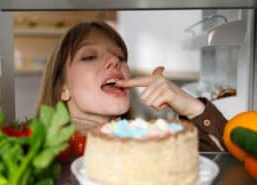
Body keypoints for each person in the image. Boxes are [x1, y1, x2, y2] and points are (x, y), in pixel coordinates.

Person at [37, 21, 227, 151]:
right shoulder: (33, 150)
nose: (114, 60)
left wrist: (191, 107)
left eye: (120, 57)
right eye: (89, 57)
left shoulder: (151, 143)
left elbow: (233, 168)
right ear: (63, 88)